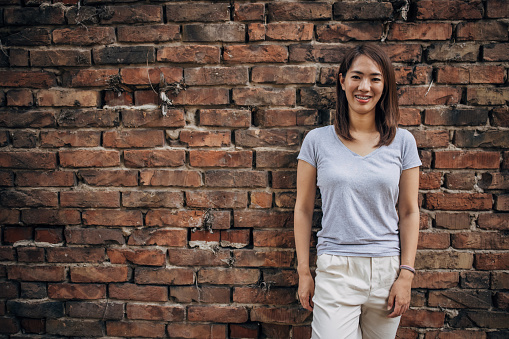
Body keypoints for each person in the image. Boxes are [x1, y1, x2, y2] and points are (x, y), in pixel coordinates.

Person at [294, 44, 421, 339]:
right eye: (357, 76)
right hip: (336, 268)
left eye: (375, 78)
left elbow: (409, 211)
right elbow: (302, 209)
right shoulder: (316, 141)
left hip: (387, 271)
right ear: (342, 80)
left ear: (384, 85)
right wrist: (304, 272)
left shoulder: (403, 142)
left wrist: (406, 274)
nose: (365, 87)